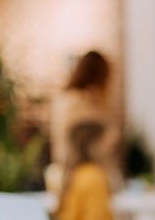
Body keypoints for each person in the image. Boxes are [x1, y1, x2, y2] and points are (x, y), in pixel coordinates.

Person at [50, 50, 121, 193]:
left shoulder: (64, 101)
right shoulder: (82, 104)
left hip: (67, 176)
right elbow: (110, 139)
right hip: (85, 179)